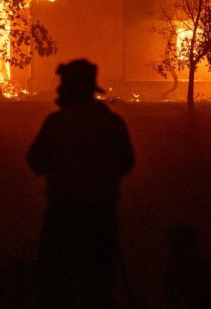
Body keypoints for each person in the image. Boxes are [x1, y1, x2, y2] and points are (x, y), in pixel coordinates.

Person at [28, 59, 135, 308]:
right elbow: (127, 162)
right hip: (100, 216)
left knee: (56, 287)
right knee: (96, 286)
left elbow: (35, 162)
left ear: (73, 88)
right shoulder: (112, 123)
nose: (59, 90)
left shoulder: (57, 123)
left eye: (64, 85)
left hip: (63, 216)